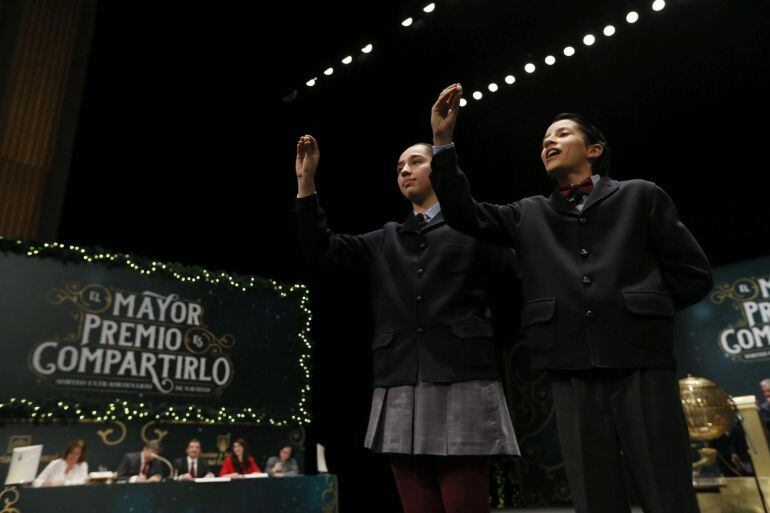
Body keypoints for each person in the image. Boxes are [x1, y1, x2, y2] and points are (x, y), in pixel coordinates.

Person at [427, 83, 713, 513]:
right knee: (593, 493)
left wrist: (640, 308)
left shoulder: (641, 195)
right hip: (569, 363)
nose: (549, 142)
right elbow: (463, 213)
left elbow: (693, 275)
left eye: (561, 134)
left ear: (594, 149)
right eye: (544, 140)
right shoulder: (528, 213)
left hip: (640, 360)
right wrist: (443, 144)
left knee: (665, 486)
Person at [293, 134, 519, 513]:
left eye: (415, 161)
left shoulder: (474, 226)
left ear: (440, 168)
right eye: (399, 168)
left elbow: (513, 289)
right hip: (399, 379)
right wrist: (306, 183)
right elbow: (322, 249)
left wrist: (484, 341)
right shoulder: (387, 238)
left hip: (462, 375)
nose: (405, 170)